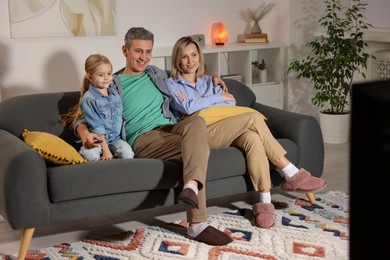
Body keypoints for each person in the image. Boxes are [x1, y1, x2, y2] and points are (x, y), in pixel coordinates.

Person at [73, 27, 233, 246]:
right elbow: (82, 116)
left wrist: (212, 77)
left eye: (148, 52)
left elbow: (185, 72)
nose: (144, 58)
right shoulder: (113, 82)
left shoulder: (156, 73)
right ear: (125, 50)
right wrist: (84, 134)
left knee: (197, 122)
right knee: (198, 149)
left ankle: (191, 188)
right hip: (145, 138)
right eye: (139, 51)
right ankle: (197, 224)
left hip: (172, 128)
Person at [164, 36, 327, 229]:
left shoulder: (208, 81)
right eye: (184, 57)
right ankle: (290, 172)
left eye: (194, 55)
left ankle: (265, 202)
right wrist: (216, 98)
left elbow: (230, 101)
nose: (190, 61)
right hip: (199, 134)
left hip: (225, 126)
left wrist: (207, 99)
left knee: (253, 138)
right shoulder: (171, 84)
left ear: (199, 56)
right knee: (253, 117)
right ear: (177, 60)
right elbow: (187, 107)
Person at [61, 54, 134, 161]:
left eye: (109, 73)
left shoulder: (115, 95)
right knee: (91, 156)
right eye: (101, 75)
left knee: (127, 154)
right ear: (90, 77)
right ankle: (86, 152)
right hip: (97, 139)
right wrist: (105, 150)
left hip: (115, 138)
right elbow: (97, 127)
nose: (106, 78)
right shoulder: (89, 99)